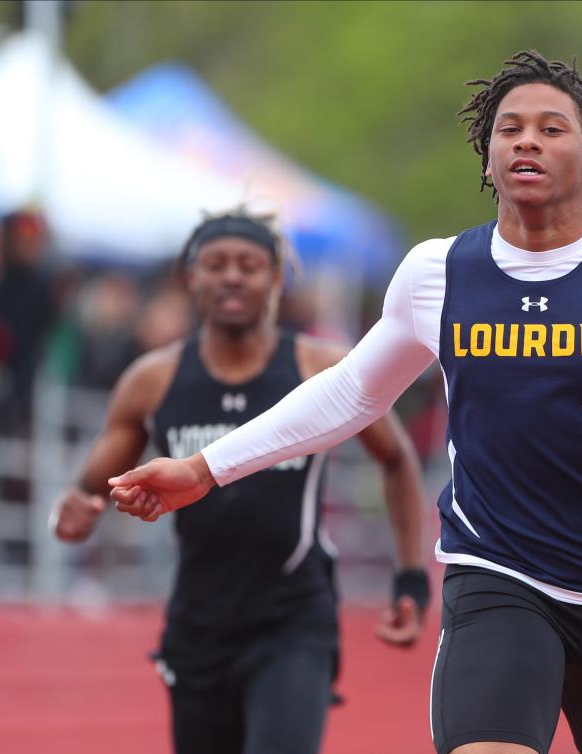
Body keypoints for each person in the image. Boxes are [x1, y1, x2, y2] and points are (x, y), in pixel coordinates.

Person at [110, 51, 582, 754]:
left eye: (551, 129)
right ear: (486, 160)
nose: (526, 141)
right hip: (496, 576)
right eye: (509, 129)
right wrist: (205, 468)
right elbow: (349, 393)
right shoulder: (437, 273)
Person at [51, 208, 430, 754]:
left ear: (275, 280)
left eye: (249, 265)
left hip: (294, 619)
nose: (232, 276)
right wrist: (72, 510)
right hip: (197, 625)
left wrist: (411, 577)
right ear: (190, 278)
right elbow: (92, 487)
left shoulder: (320, 369)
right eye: (216, 264)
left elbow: (396, 458)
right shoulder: (152, 379)